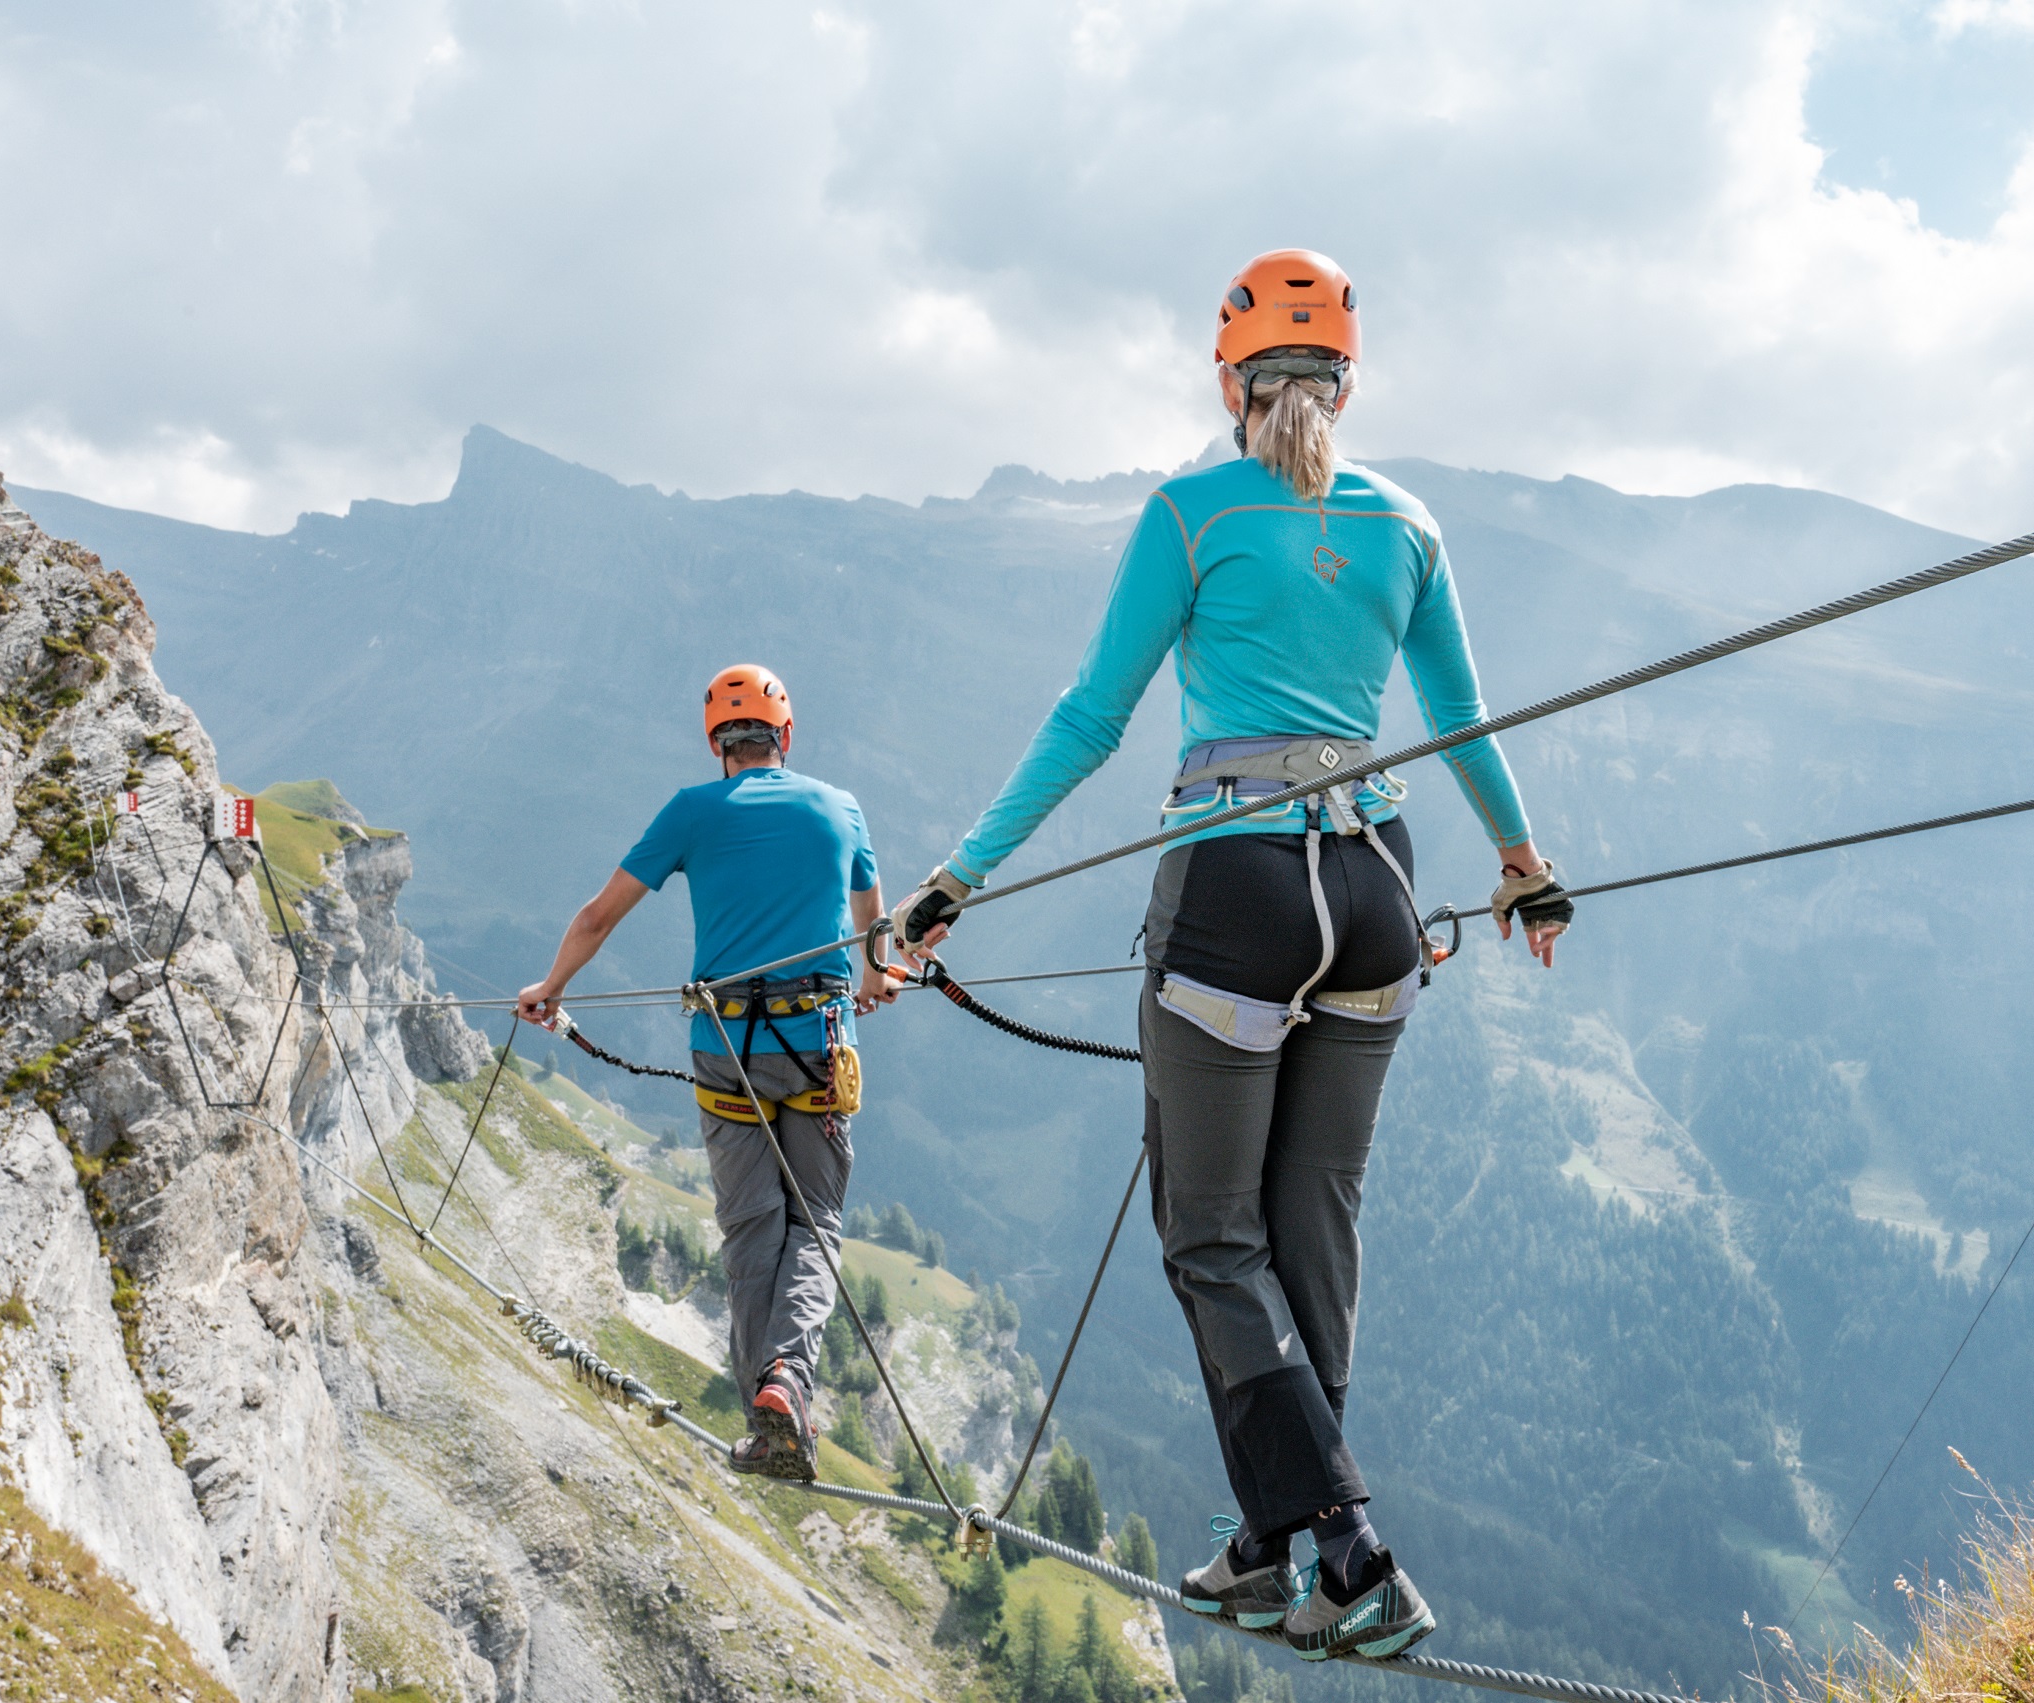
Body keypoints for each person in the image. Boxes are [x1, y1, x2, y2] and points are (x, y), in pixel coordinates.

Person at [889, 251, 1572, 1661]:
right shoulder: (1410, 525)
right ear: (1345, 379)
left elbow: (1090, 719)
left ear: (1230, 380)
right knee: (1313, 1219)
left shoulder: (1191, 515)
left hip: (1236, 890)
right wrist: (1525, 868)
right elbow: (1460, 719)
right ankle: (1274, 1545)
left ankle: (1350, 1544)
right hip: (1376, 888)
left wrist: (958, 877)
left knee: (1212, 1235)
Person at [517, 664, 896, 1482]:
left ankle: (766, 1412)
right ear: (785, 737)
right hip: (818, 1045)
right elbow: (875, 929)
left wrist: (551, 991)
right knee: (815, 1221)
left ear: (717, 744)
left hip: (726, 1049)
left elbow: (597, 914)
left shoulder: (691, 811)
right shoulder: (841, 806)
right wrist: (871, 981)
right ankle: (790, 1381)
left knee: (752, 1225)